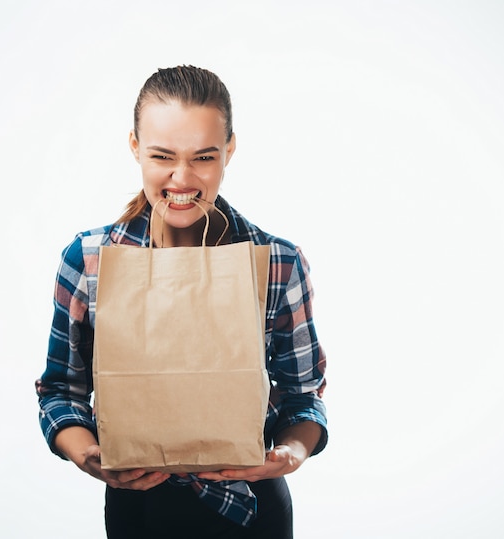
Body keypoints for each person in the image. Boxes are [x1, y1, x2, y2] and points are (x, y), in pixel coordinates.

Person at [36, 65, 328, 539]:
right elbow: (60, 393)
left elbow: (303, 397)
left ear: (229, 150)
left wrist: (290, 453)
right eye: (162, 155)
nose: (182, 178)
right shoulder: (90, 261)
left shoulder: (276, 262)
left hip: (250, 510)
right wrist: (89, 456)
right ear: (134, 147)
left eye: (204, 157)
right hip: (138, 509)